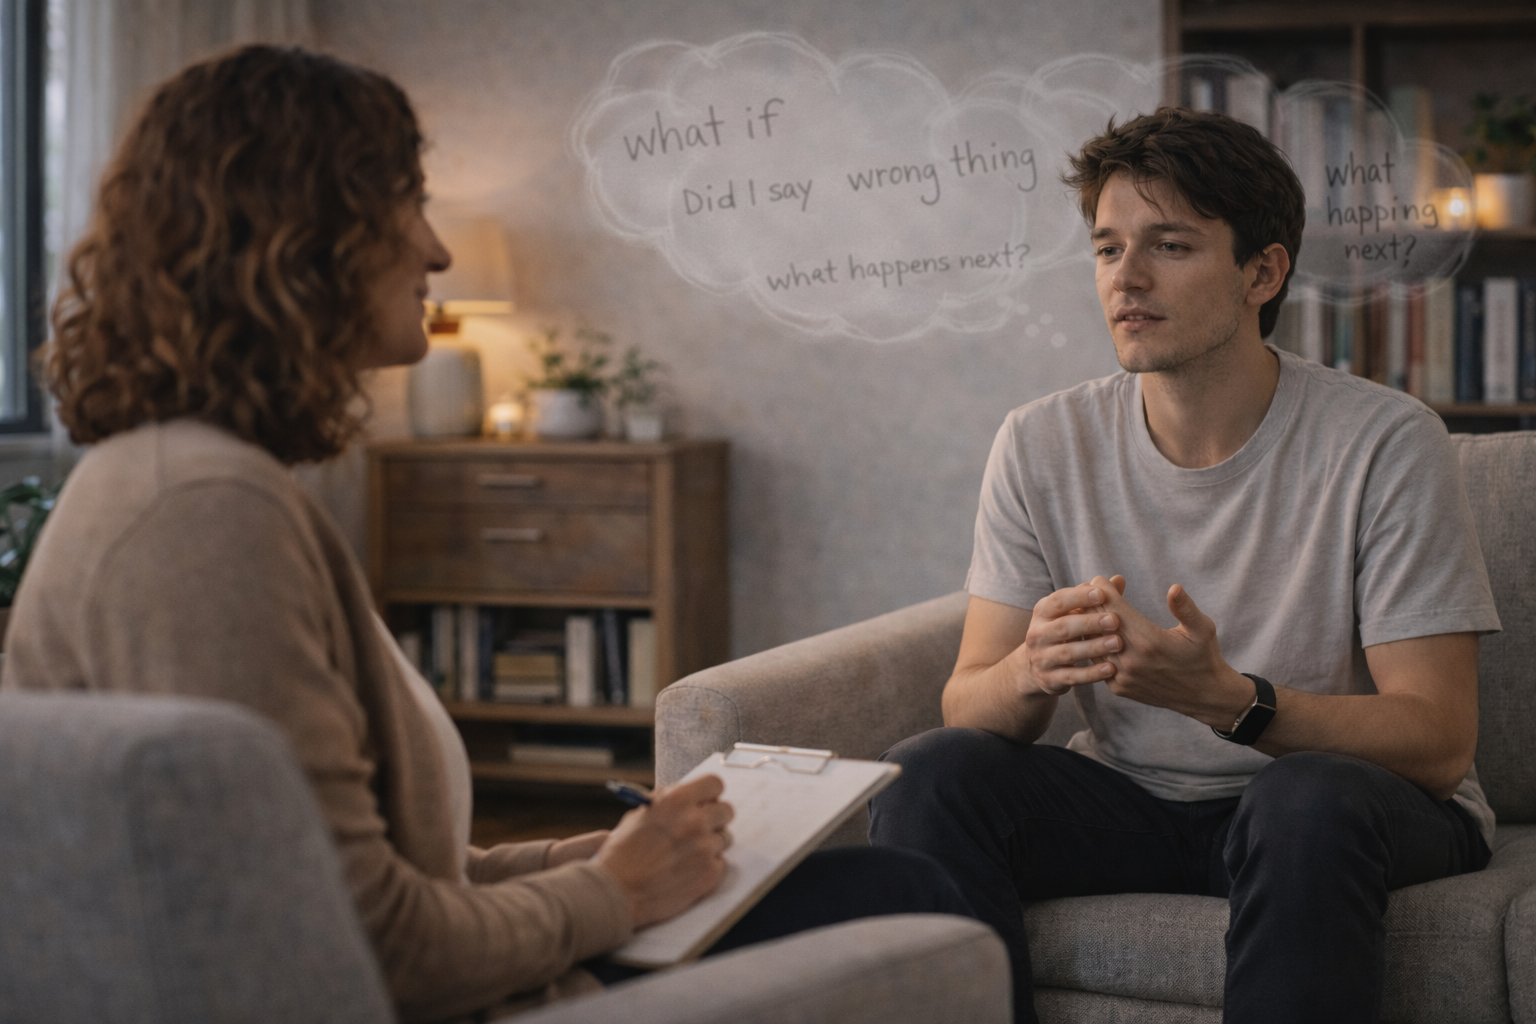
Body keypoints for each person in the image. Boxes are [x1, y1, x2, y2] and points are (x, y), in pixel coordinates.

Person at [0, 45, 972, 1023]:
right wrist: (620, 892)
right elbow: (373, 943)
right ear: (303, 237)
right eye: (408, 205)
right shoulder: (206, 518)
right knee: (908, 902)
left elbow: (370, 866)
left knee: (876, 880)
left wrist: (574, 857)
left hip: (478, 955)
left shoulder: (211, 482)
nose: (437, 250)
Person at [868, 107, 1500, 1024]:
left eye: (1169, 245)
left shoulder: (1386, 441)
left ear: (1263, 272)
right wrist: (1031, 671)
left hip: (1343, 807)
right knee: (930, 773)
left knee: (1301, 798)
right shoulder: (1041, 441)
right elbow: (966, 702)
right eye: (1106, 248)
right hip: (1135, 802)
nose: (1126, 278)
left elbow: (1439, 744)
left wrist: (1232, 702)